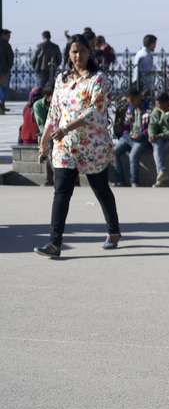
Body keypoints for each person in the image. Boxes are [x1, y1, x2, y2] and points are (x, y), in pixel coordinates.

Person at [33, 34, 122, 258]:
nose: (78, 55)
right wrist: (44, 142)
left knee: (101, 189)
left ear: (89, 52)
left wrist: (67, 127)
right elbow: (54, 112)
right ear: (68, 54)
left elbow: (94, 111)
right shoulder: (62, 79)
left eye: (82, 51)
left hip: (92, 146)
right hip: (65, 146)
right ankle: (54, 243)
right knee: (61, 192)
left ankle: (113, 231)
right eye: (73, 51)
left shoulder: (98, 79)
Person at [113, 85, 151, 187]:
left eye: (133, 100)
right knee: (113, 153)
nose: (131, 103)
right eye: (130, 101)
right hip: (128, 137)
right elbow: (126, 126)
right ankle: (120, 180)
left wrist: (141, 135)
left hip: (141, 140)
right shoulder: (130, 108)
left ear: (138, 97)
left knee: (133, 155)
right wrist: (127, 134)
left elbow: (151, 128)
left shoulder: (148, 108)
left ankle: (134, 181)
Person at [149, 91, 169, 187]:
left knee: (159, 149)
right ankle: (162, 172)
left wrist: (161, 135)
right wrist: (152, 134)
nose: (157, 105)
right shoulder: (156, 111)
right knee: (157, 144)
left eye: (159, 103)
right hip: (161, 139)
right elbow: (152, 125)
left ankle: (161, 175)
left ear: (166, 102)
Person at [33, 86, 54, 185]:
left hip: (57, 132)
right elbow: (41, 124)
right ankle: (49, 180)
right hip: (44, 133)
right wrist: (48, 136)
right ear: (47, 96)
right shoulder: (38, 105)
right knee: (48, 153)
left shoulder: (58, 103)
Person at [0, 28, 13, 114]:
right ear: (3, 35)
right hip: (4, 71)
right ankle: (1, 106)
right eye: (8, 36)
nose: (9, 38)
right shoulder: (6, 45)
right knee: (3, 88)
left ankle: (1, 106)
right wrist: (9, 67)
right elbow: (10, 58)